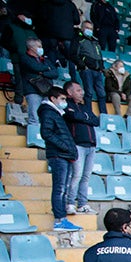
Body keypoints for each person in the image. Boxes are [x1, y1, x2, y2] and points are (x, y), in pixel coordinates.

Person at [38, 86, 82, 231]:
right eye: (62, 99)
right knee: (60, 189)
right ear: (53, 98)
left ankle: (62, 219)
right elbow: (47, 134)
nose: (65, 102)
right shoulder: (48, 113)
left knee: (63, 188)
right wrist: (66, 147)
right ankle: (59, 220)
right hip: (58, 155)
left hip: (64, 155)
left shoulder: (57, 113)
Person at [63, 82, 99, 217]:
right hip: (77, 144)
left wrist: (83, 117)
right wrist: (86, 117)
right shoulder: (67, 105)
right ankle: (70, 203)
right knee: (76, 175)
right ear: (69, 92)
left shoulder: (85, 106)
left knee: (86, 176)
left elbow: (96, 121)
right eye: (78, 90)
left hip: (91, 146)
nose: (81, 92)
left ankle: (83, 204)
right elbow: (71, 116)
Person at [72, 21, 107, 113]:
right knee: (89, 92)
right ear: (82, 28)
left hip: (97, 71)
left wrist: (101, 68)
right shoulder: (78, 39)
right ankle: (88, 112)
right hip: (86, 70)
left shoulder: (95, 41)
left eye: (91, 28)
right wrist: (83, 66)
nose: (89, 30)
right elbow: (74, 54)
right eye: (87, 28)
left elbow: (99, 56)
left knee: (102, 94)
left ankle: (104, 115)